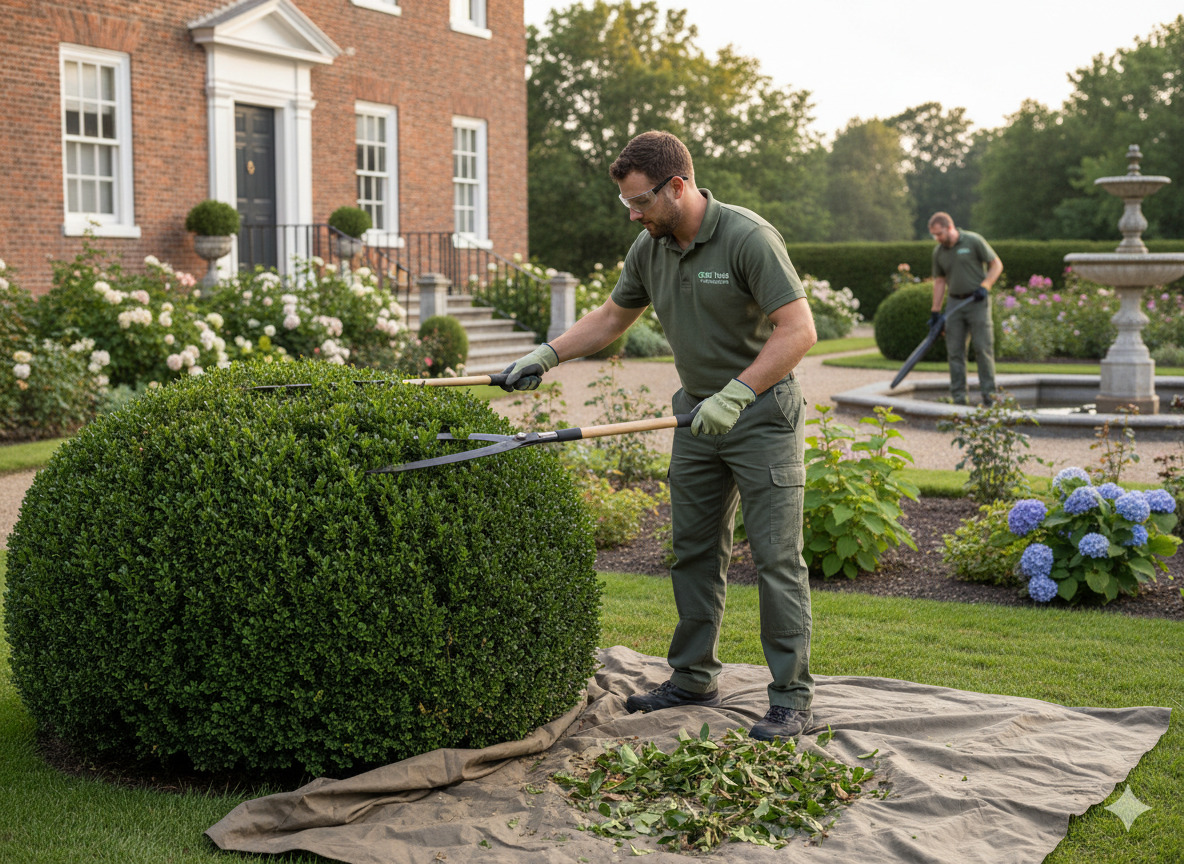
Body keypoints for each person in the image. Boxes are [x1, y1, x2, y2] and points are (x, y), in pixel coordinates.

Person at [500, 131, 817, 740]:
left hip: (761, 415)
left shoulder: (749, 237)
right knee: (693, 551)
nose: (633, 213)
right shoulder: (650, 247)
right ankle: (693, 676)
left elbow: (798, 330)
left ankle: (792, 698)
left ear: (677, 186)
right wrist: (547, 354)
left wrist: (738, 393)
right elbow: (614, 317)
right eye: (628, 203)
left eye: (640, 200)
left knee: (777, 560)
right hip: (695, 418)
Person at [928, 212, 1003, 405]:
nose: (937, 238)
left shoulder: (973, 241)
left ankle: (989, 395)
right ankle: (959, 397)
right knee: (955, 351)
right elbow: (939, 281)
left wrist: (985, 286)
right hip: (955, 304)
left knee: (982, 348)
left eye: (939, 234)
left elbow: (996, 265)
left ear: (949, 227)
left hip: (977, 302)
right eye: (934, 235)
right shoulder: (939, 252)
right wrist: (935, 311)